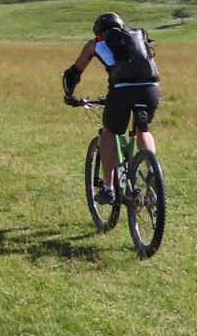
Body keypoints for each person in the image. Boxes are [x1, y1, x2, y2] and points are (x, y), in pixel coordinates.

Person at [61, 11, 161, 205]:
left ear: (99, 31)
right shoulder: (138, 38)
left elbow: (72, 75)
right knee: (143, 128)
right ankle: (151, 171)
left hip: (122, 91)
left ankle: (108, 189)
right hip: (151, 89)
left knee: (108, 133)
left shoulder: (96, 43)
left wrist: (70, 96)